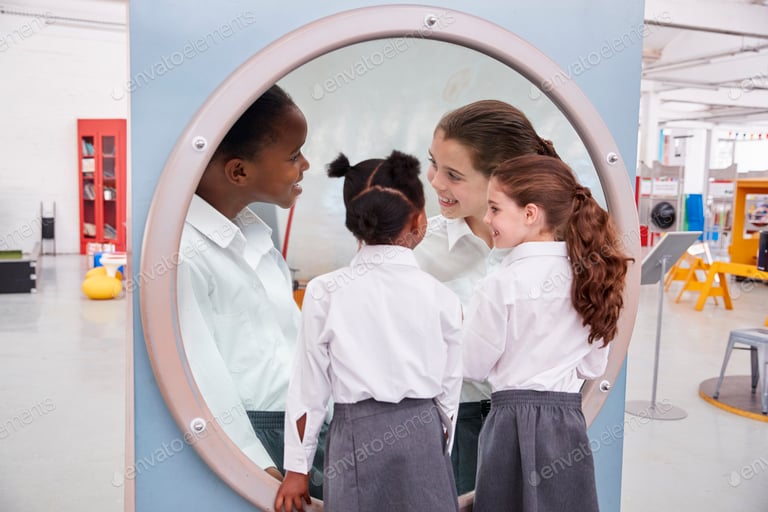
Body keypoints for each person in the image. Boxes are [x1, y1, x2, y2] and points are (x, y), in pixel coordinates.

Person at [275, 151, 462, 512]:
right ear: (419, 219)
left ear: (353, 223)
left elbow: (309, 386)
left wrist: (297, 467)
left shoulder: (324, 291)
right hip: (424, 432)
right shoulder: (443, 297)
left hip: (355, 435)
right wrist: (441, 444)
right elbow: (450, 385)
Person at [176, 84, 325, 496]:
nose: (306, 164)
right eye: (294, 156)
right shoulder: (186, 254)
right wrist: (252, 459)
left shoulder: (255, 238)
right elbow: (200, 372)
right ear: (239, 172)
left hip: (301, 427)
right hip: (260, 436)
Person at [462, 154, 632, 512]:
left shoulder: (499, 284)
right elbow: (591, 368)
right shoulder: (591, 280)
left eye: (494, 209)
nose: (487, 219)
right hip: (567, 422)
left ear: (530, 213)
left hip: (508, 422)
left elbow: (473, 366)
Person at [413, 99, 561, 494]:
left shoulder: (557, 254)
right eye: (434, 163)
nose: (435, 181)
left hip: (539, 427)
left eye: (454, 175)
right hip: (450, 423)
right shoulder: (419, 251)